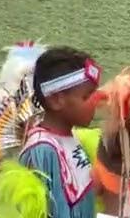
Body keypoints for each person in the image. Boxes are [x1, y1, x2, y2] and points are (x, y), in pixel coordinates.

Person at [21, 47, 102, 218]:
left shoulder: (68, 138)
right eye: (87, 96)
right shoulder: (42, 151)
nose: (96, 102)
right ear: (56, 100)